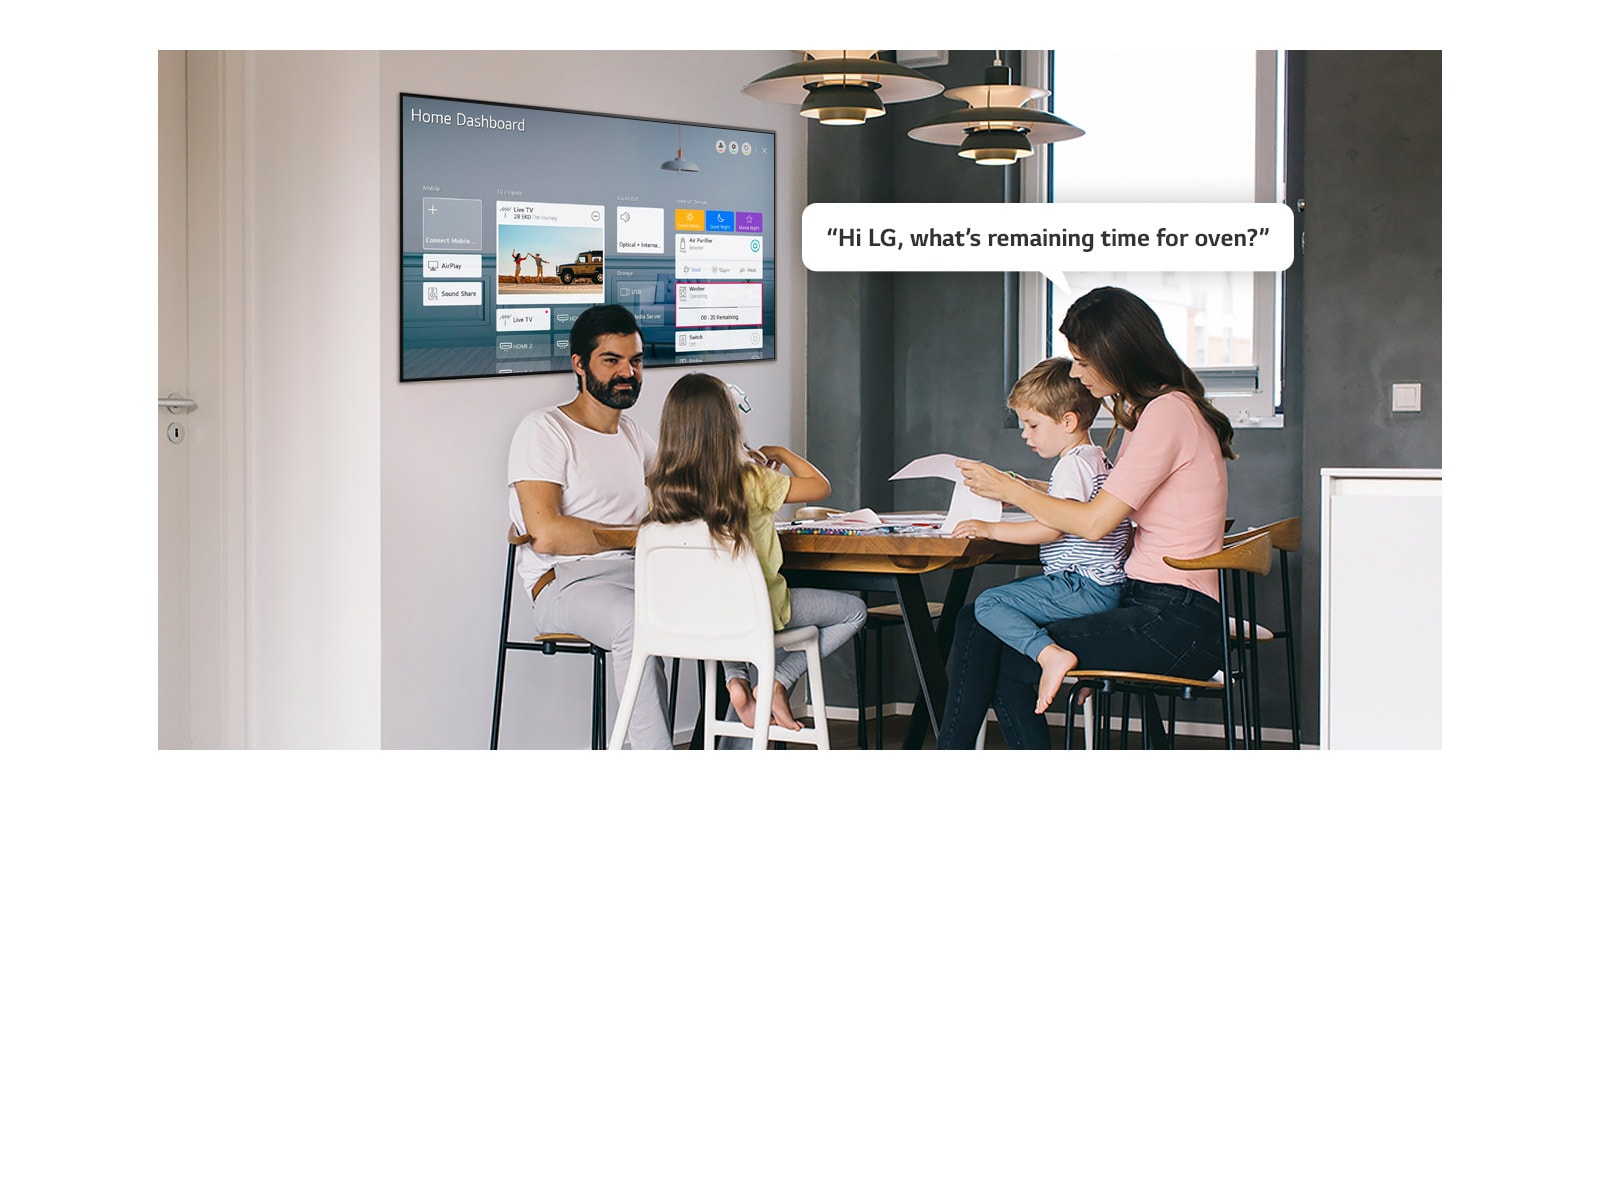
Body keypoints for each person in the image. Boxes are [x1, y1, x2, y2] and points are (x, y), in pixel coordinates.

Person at [936, 286, 1237, 749]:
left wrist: (1011, 489)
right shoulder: (1157, 412)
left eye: (1081, 360)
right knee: (983, 625)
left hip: (1175, 620)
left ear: (1115, 354)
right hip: (1154, 605)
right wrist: (1017, 488)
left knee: (989, 635)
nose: (1076, 372)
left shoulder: (1166, 415)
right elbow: (1097, 504)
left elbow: (1094, 522)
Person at [644, 373, 866, 745]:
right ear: (729, 425)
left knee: (727, 615)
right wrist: (778, 454)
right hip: (759, 611)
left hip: (694, 618)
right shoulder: (751, 478)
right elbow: (820, 486)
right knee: (853, 611)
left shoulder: (662, 489)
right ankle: (775, 682)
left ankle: (735, 680)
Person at [508, 303, 672, 749]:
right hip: (563, 583)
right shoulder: (544, 429)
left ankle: (735, 745)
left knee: (736, 603)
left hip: (634, 576)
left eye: (635, 361)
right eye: (612, 360)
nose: (628, 373)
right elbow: (548, 532)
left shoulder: (634, 435)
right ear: (579, 364)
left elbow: (682, 495)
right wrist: (637, 537)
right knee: (636, 623)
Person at [949, 357, 1130, 707]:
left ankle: (1051, 656)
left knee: (989, 603)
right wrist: (1029, 489)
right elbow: (1065, 503)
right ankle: (1076, 659)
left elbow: (1052, 530)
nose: (1024, 434)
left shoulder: (1071, 465)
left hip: (1081, 586)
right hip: (1103, 586)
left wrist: (990, 528)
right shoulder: (1093, 458)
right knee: (1002, 604)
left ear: (1067, 421)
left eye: (1032, 424)